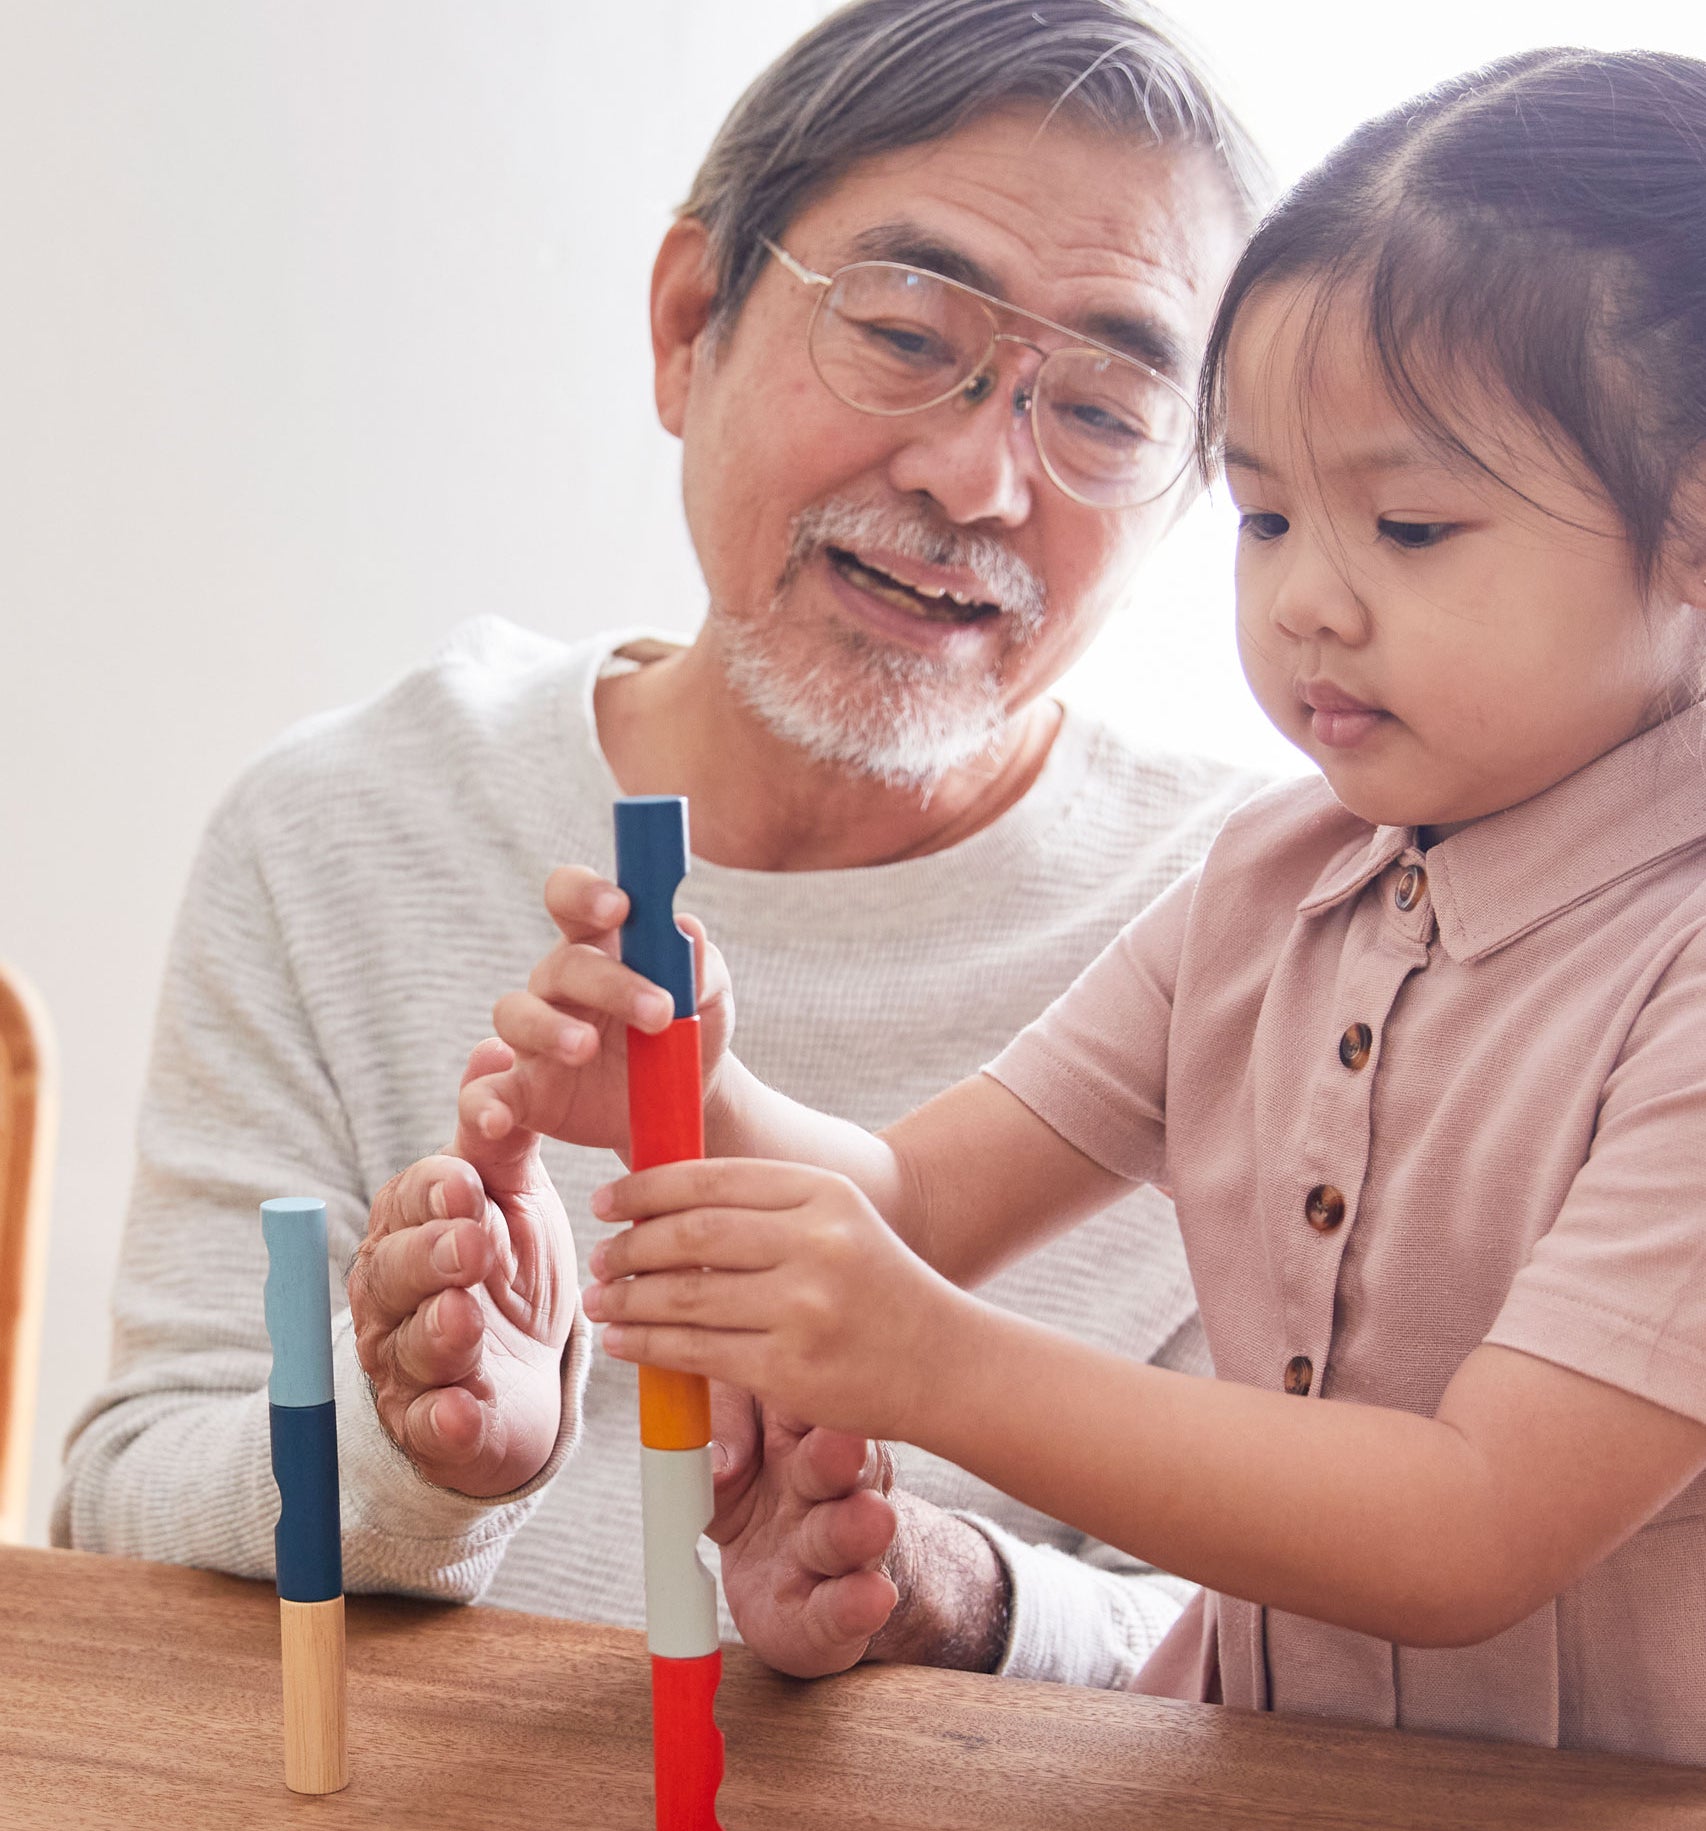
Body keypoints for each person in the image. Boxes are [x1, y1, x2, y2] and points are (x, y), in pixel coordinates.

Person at [476, 48, 1706, 1761]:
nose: (1306, 607)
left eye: (1410, 527)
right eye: (1265, 515)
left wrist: (934, 1367)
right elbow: (914, 1198)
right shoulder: (1272, 884)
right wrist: (703, 1099)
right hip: (1242, 1803)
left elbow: (1471, 1522)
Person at [54, 0, 1271, 1687]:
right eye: (909, 333)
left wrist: (938, 1589)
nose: (980, 480)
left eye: (1108, 413)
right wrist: (418, 1457)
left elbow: (1297, 1641)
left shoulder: (1277, 929)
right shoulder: (340, 828)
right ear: (690, 323)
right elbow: (118, 1496)